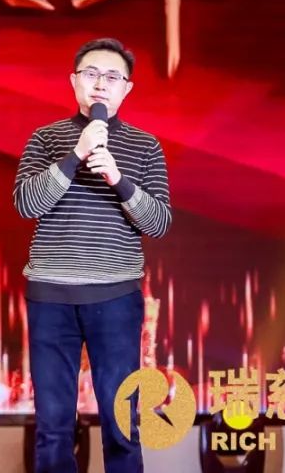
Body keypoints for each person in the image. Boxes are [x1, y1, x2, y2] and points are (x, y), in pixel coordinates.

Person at [14, 37, 172, 473]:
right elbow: (26, 204)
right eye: (91, 74)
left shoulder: (145, 146)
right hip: (51, 298)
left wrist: (119, 179)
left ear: (127, 89)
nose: (100, 84)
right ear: (74, 81)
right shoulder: (46, 138)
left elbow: (158, 223)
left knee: (122, 423)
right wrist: (76, 155)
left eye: (112, 77)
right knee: (53, 427)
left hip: (115, 298)